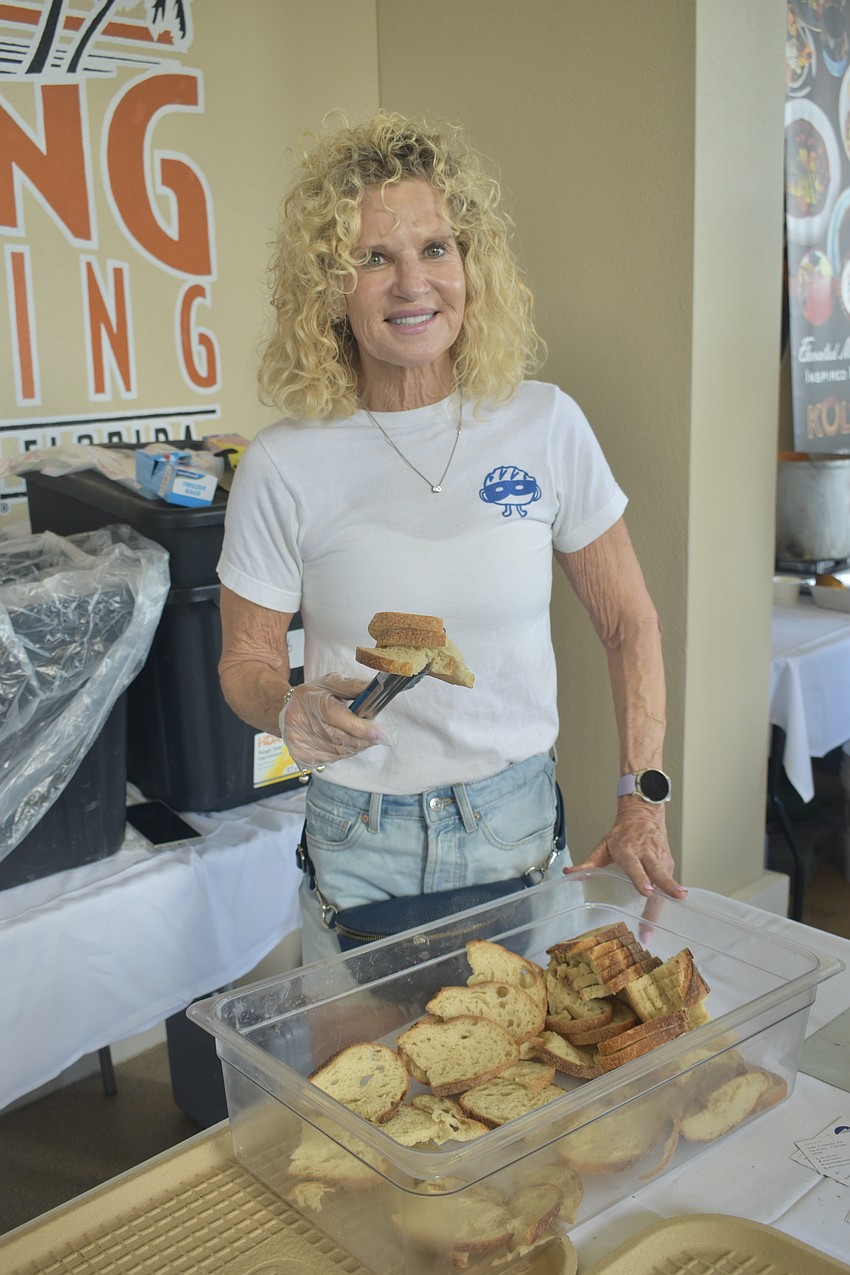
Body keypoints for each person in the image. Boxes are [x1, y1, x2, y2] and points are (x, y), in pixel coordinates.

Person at [217, 110, 686, 964]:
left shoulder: (545, 424)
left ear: (473, 265)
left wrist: (641, 797)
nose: (412, 284)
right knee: (362, 1059)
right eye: (373, 257)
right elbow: (244, 662)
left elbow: (630, 623)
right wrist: (288, 705)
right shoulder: (282, 463)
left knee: (525, 1050)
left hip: (515, 823)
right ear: (329, 285)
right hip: (359, 837)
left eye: (435, 248)